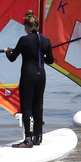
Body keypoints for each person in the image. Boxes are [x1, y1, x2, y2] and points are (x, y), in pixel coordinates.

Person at [4, 10, 54, 148]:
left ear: (26, 26)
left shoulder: (24, 40)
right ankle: (38, 138)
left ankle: (28, 140)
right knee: (38, 106)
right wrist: (42, 56)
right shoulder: (46, 40)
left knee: (27, 107)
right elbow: (51, 60)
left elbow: (12, 58)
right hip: (41, 75)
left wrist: (7, 51)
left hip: (28, 75)